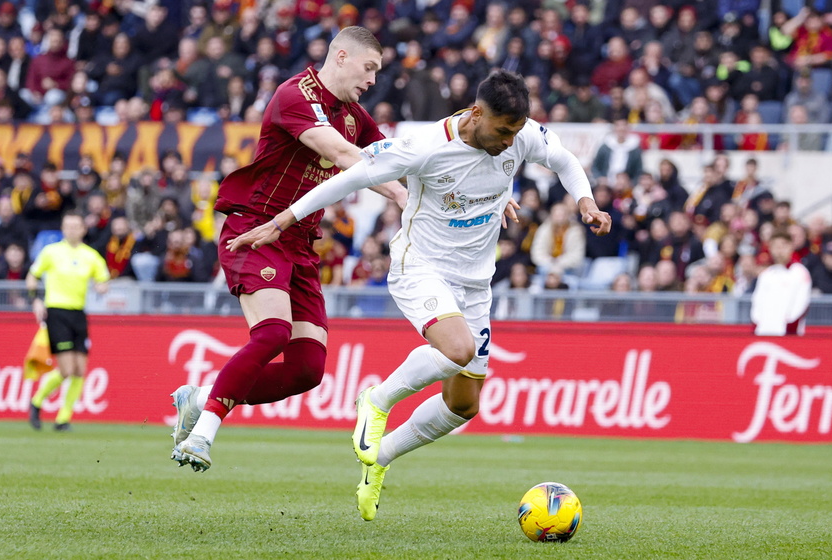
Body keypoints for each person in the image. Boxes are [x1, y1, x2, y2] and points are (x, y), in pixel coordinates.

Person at [227, 70, 612, 520]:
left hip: (475, 283)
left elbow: (563, 160)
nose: (510, 142)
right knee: (458, 349)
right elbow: (349, 179)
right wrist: (282, 221)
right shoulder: (425, 146)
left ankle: (380, 459)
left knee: (463, 405)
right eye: (503, 131)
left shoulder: (520, 133)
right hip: (421, 267)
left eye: (516, 132)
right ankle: (377, 400)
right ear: (475, 114)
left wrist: (585, 201)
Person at [170, 26, 407, 472]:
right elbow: (339, 152)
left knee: (306, 370)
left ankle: (200, 397)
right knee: (274, 332)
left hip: (300, 244)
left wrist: (461, 188)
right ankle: (201, 436)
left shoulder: (354, 115)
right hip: (255, 230)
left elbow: (395, 158)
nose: (373, 80)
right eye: (369, 67)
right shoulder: (293, 94)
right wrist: (398, 194)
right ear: (340, 56)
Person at [26, 212, 110, 431]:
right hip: (56, 312)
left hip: (78, 314)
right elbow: (32, 276)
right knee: (66, 369)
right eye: (68, 226)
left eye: (76, 226)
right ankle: (36, 402)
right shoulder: (51, 252)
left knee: (80, 370)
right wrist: (36, 301)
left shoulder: (90, 256)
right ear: (63, 229)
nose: (72, 230)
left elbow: (103, 280)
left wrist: (102, 287)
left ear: (83, 229)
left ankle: (63, 418)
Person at [750, 231, 812, 336]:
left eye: (783, 245)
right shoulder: (766, 274)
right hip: (764, 332)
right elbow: (757, 302)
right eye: (775, 246)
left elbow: (801, 303)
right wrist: (757, 325)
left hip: (789, 334)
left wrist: (789, 327)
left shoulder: (800, 272)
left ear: (791, 246)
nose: (779, 250)